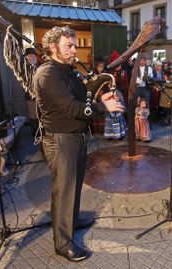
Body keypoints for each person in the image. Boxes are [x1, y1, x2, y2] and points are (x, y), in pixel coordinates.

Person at [34, 26, 124, 262]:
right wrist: (104, 107)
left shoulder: (68, 69)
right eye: (69, 46)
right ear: (53, 48)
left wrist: (98, 97)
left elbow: (83, 97)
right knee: (64, 190)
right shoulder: (48, 74)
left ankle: (71, 221)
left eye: (74, 45)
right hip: (61, 139)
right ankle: (63, 243)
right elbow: (74, 109)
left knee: (73, 186)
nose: (75, 50)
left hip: (76, 136)